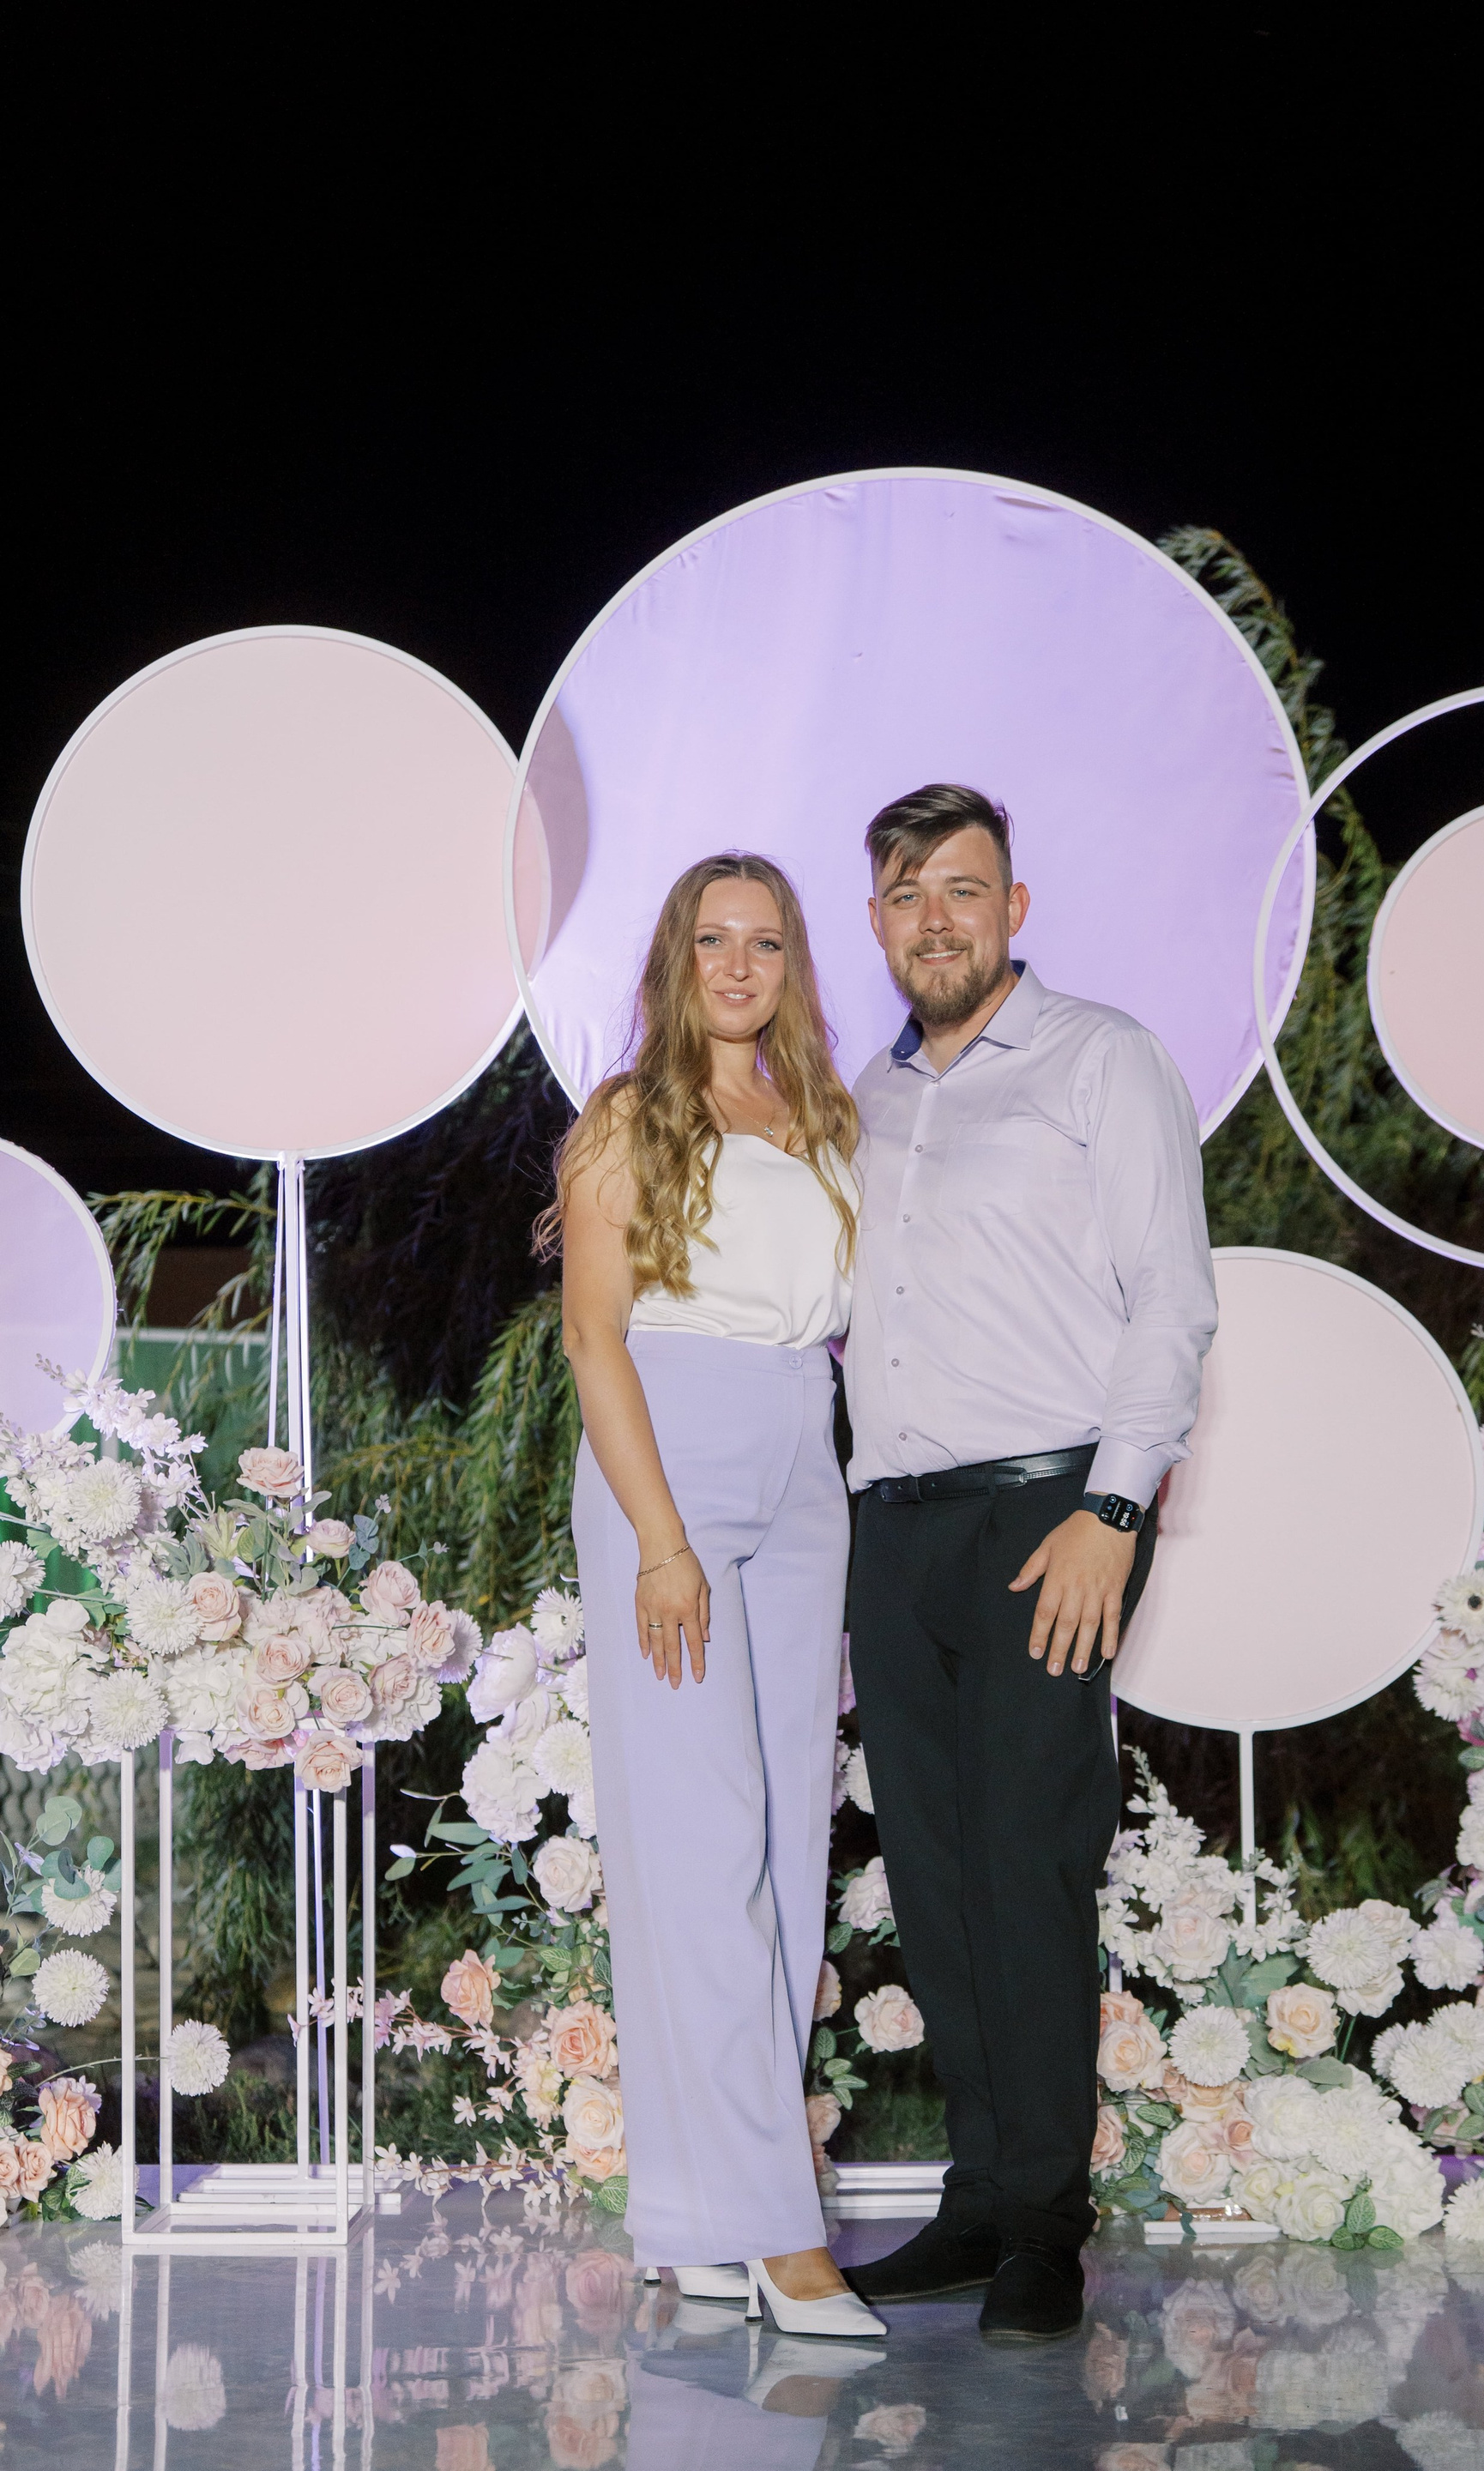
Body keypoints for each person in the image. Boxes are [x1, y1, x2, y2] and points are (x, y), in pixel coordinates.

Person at [839, 784, 1217, 2343]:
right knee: (933, 1875)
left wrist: (1112, 1513)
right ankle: (980, 2200)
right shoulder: (863, 1095)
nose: (936, 919)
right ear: (877, 921)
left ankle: (1047, 2226)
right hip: (893, 1526)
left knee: (1028, 1861)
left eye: (963, 889)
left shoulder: (1101, 1060)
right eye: (907, 893)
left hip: (1046, 1514)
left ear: (1015, 909)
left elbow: (1171, 1300)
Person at [552, 852, 884, 2340]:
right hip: (667, 1458)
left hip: (806, 1453)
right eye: (712, 939)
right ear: (675, 961)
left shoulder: (827, 1119)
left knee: (784, 1840)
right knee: (695, 1847)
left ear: (793, 964)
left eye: (766, 941)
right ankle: (776, 2232)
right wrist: (660, 1538)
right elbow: (593, 1337)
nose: (739, 965)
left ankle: (694, 2215)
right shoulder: (628, 1116)